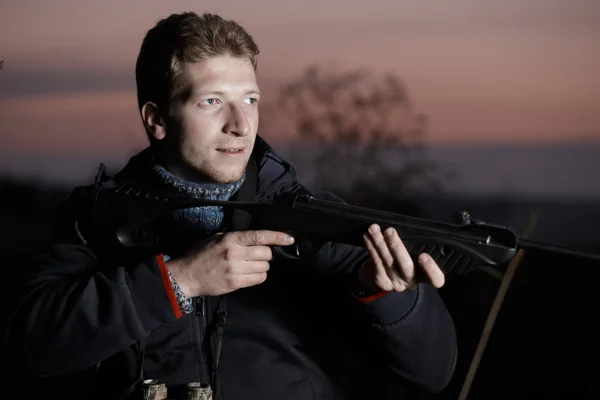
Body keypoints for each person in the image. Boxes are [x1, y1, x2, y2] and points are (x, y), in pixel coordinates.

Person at [6, 11, 457, 400]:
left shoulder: (315, 222)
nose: (241, 125)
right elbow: (30, 345)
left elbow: (432, 372)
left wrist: (389, 297)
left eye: (251, 100)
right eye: (212, 102)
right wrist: (179, 279)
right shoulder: (95, 216)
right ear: (157, 119)